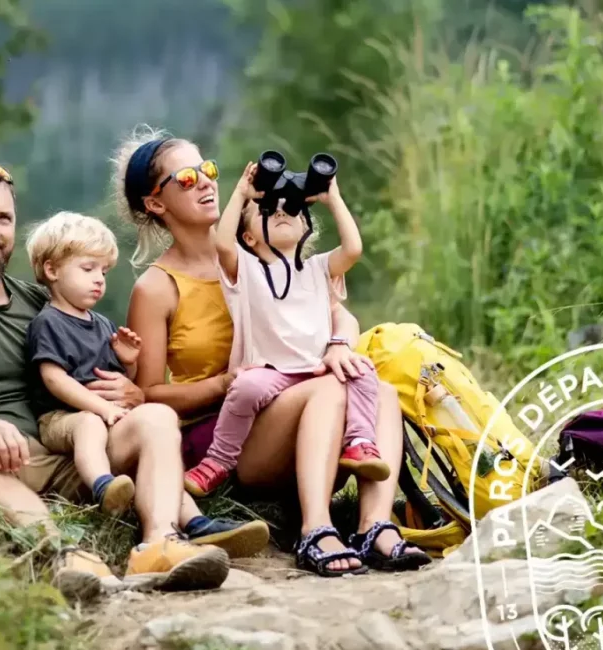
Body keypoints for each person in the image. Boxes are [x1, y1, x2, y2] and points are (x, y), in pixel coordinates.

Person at [0, 155, 270, 600]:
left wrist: (130, 389)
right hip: (4, 459)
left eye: (3, 218)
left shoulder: (40, 300)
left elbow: (100, 362)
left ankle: (159, 544)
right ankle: (61, 550)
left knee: (154, 417)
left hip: (77, 450)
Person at [114, 127, 433, 576]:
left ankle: (374, 528)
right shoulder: (157, 287)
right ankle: (316, 531)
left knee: (376, 388)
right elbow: (147, 394)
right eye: (186, 179)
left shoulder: (264, 253)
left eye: (207, 170)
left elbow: (335, 312)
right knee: (329, 389)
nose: (206, 182)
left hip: (298, 413)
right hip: (233, 435)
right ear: (155, 203)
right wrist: (225, 383)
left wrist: (340, 343)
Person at [183, 161, 390, 499]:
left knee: (364, 372)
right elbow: (222, 245)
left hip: (317, 368)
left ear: (305, 225)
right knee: (245, 387)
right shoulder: (246, 271)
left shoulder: (318, 268)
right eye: (268, 210)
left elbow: (353, 249)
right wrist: (242, 193)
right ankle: (217, 461)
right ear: (248, 236)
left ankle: (360, 442)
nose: (281, 212)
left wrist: (332, 198)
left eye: (290, 209)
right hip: (270, 371)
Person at [22, 210, 146, 516]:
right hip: (60, 418)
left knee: (151, 422)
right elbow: (54, 378)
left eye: (103, 271)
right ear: (52, 270)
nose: (98, 280)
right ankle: (102, 486)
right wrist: (100, 408)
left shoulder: (102, 324)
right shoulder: (48, 322)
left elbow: (114, 379)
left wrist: (128, 364)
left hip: (103, 415)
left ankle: (189, 517)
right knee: (89, 423)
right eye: (88, 268)